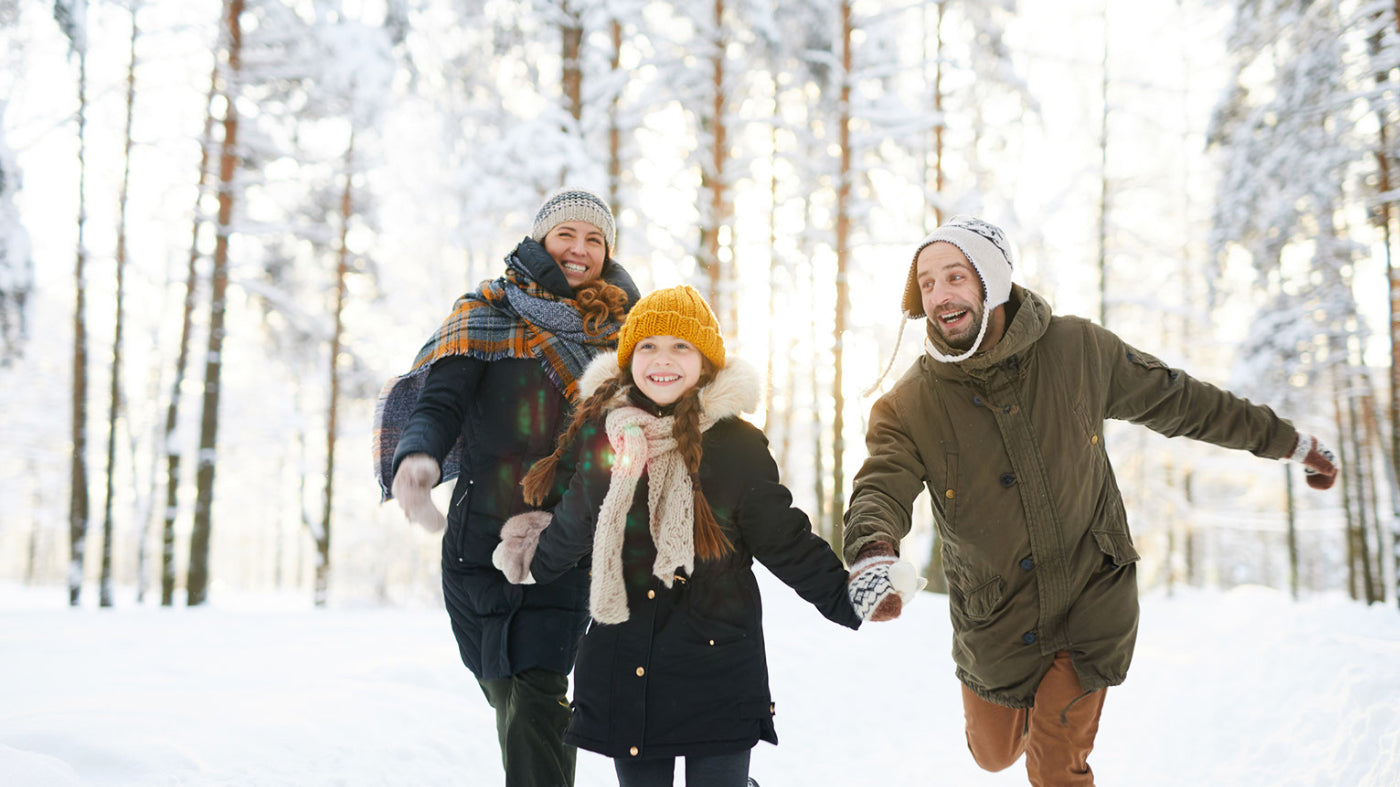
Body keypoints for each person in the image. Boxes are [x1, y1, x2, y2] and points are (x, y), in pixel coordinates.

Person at [843, 215, 1340, 787]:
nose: (940, 295)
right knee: (992, 754)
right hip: (996, 617)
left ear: (993, 281)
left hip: (1090, 595)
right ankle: (1035, 716)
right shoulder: (909, 404)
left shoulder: (1079, 349)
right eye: (927, 284)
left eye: (955, 276)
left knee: (1055, 766)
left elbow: (1187, 403)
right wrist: (874, 549)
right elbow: (882, 482)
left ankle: (1058, 728)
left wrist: (1292, 444)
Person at [489, 285, 920, 787]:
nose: (662, 359)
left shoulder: (736, 446)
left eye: (680, 346)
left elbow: (785, 538)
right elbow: (579, 517)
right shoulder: (608, 438)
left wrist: (850, 596)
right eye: (648, 346)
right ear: (629, 360)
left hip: (715, 665)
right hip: (628, 662)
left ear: (705, 361)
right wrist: (529, 563)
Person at [373, 187, 641, 787]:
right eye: (566, 235)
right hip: (475, 543)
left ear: (607, 251)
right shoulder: (485, 315)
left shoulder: (627, 335)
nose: (579, 249)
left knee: (539, 692)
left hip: (565, 543)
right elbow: (440, 403)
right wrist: (417, 457)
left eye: (594, 239)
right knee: (507, 692)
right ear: (542, 240)